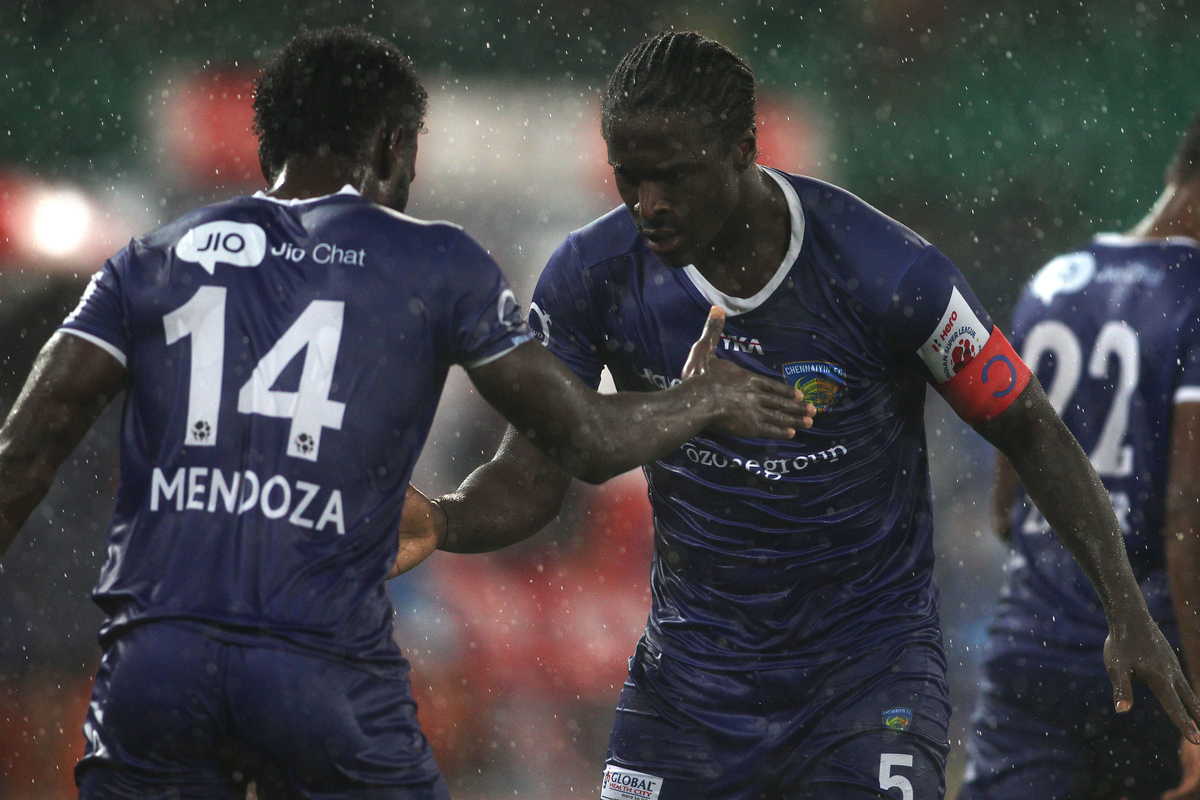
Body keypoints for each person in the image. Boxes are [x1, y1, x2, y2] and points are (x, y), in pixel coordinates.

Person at [0, 28, 816, 800]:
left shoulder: (148, 260)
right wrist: (706, 396)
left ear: (269, 147)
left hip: (156, 662)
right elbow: (587, 441)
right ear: (393, 147)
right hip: (319, 667)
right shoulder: (434, 262)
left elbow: (25, 454)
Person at [392, 31, 1200, 799]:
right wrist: (446, 519)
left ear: (744, 149)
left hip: (867, 673)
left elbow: (1028, 426)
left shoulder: (889, 271)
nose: (649, 204)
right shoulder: (592, 275)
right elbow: (538, 473)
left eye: (672, 176)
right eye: (627, 177)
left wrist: (1125, 609)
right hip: (692, 683)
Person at [957, 113, 1200, 800]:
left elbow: (1007, 506)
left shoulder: (1053, 282)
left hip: (1031, 650)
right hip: (1158, 663)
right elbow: (1188, 511)